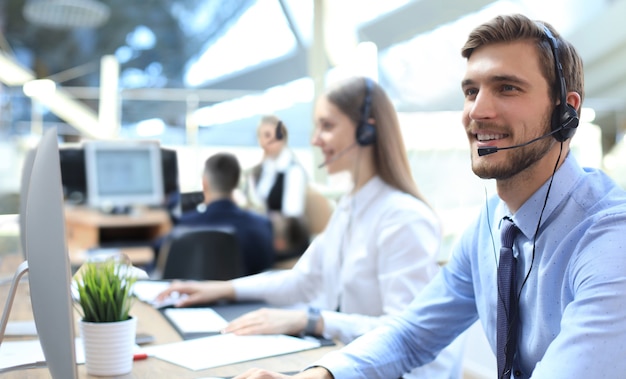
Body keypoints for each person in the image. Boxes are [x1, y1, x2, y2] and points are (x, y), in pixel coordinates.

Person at [228, 13, 626, 379]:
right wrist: (318, 376)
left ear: (566, 112)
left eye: (507, 88)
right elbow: (410, 334)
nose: (477, 111)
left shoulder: (610, 240)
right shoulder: (490, 226)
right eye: (471, 91)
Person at [157, 76, 465, 379]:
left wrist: (311, 320)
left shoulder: (404, 218)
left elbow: (403, 335)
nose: (315, 139)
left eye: (327, 126)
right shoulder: (350, 206)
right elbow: (300, 281)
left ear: (367, 131)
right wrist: (221, 288)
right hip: (348, 362)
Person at [154, 152, 275, 276]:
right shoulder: (262, 225)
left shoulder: (184, 226)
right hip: (245, 295)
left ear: (205, 182)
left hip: (195, 294)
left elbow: (159, 252)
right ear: (237, 181)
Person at [243, 115, 311, 259]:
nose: (268, 141)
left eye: (272, 135)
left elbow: (291, 215)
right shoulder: (259, 171)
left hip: (287, 239)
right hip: (265, 233)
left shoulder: (293, 171)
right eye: (263, 136)